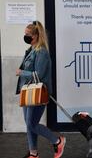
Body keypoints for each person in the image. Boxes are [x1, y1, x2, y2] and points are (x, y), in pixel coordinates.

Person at [15, 21, 66, 158]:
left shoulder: (41, 52)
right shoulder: (31, 50)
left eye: (28, 35)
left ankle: (57, 141)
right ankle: (33, 153)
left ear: (37, 36)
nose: (25, 37)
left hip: (36, 93)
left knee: (32, 124)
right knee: (29, 124)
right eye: (25, 34)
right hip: (28, 92)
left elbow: (39, 74)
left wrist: (21, 72)